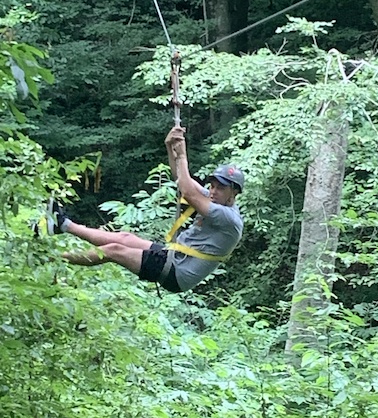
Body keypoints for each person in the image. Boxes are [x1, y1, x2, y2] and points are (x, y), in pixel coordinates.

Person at [47, 126, 244, 293]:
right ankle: (63, 224)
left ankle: (51, 258)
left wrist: (183, 155)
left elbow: (188, 193)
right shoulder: (215, 199)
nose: (213, 191)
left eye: (221, 188)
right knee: (125, 238)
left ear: (233, 193)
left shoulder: (229, 219)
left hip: (176, 273)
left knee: (114, 251)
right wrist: (171, 149)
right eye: (212, 186)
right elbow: (182, 180)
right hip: (173, 255)